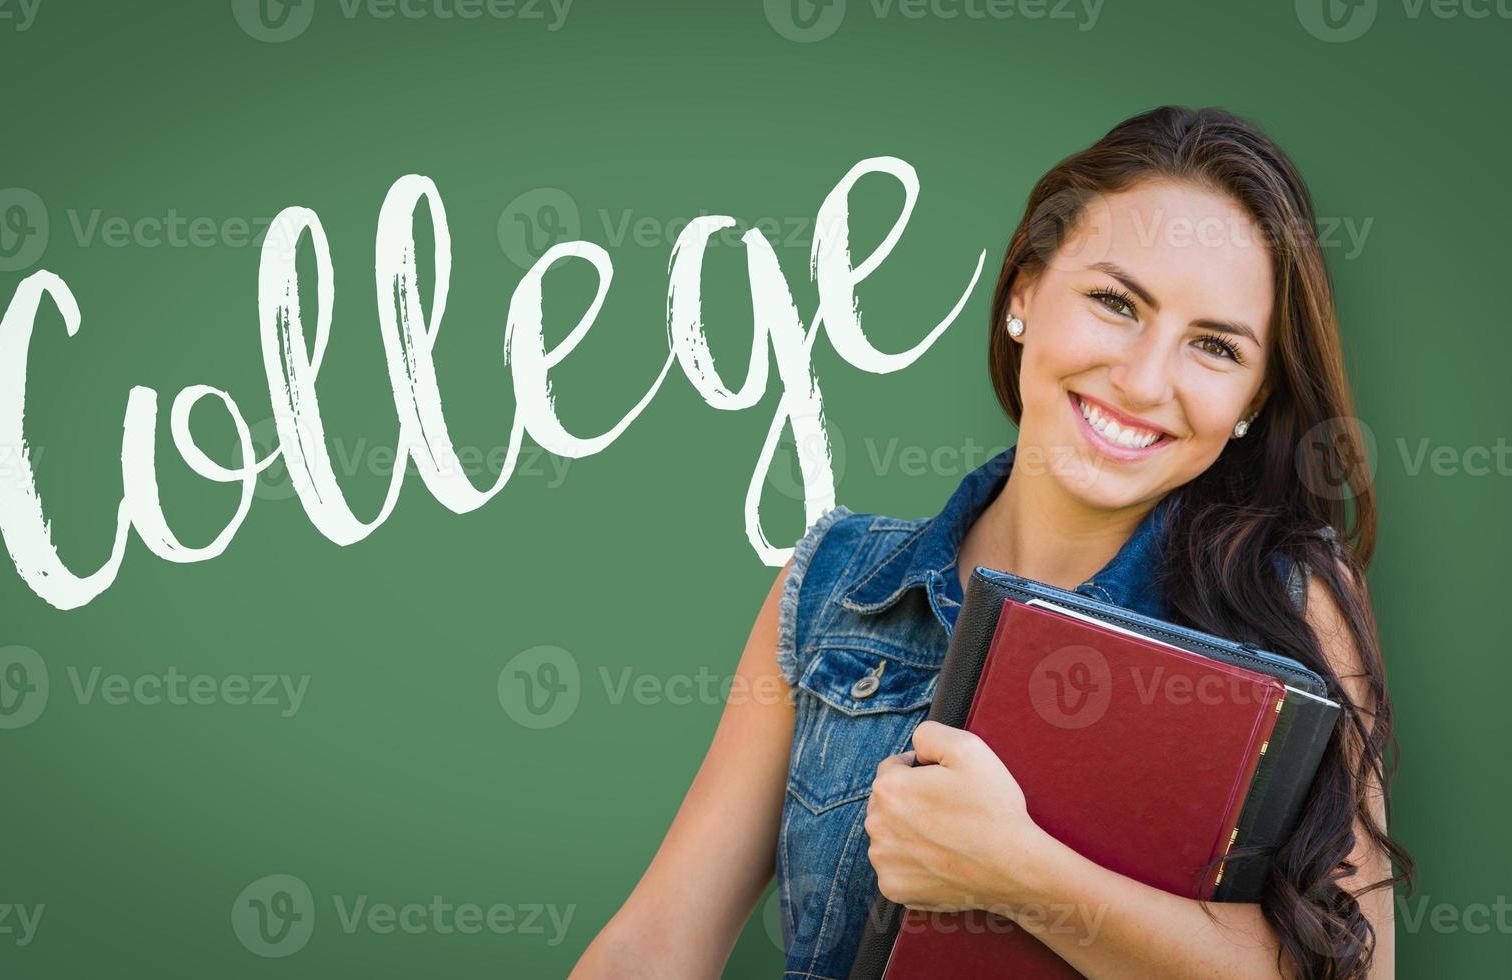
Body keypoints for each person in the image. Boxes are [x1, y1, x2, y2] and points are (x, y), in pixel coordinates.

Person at [571, 105, 1411, 979]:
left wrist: (1017, 875)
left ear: (1251, 400)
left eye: (1213, 346)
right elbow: (656, 941)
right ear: (1023, 296)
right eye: (1115, 303)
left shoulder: (1291, 603)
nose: (1143, 379)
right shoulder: (833, 583)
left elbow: (1353, 968)